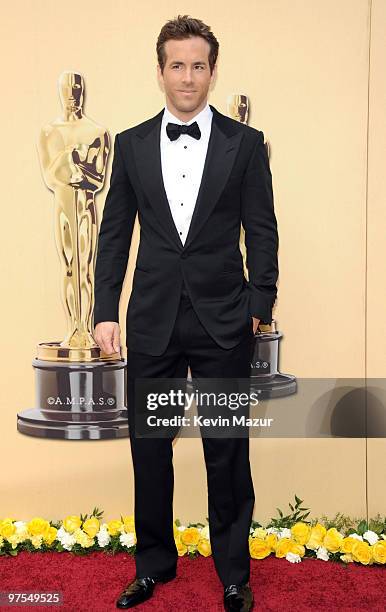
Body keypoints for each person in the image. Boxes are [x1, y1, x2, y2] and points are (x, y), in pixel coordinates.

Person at [94, 14, 279, 611]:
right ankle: (153, 566)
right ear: (160, 72)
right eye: (178, 65)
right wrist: (104, 311)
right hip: (151, 319)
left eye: (199, 65)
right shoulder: (130, 145)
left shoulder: (244, 145)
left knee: (227, 448)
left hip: (224, 321)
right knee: (150, 446)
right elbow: (115, 236)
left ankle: (232, 575)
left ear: (213, 71)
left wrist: (260, 303)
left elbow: (262, 230)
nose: (188, 76)